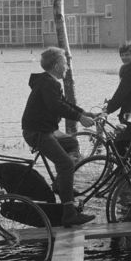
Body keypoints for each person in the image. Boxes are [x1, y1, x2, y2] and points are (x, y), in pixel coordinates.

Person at [21, 47, 96, 228]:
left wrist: (84, 112)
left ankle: (59, 185)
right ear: (56, 66)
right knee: (66, 164)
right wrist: (79, 118)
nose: (67, 68)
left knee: (71, 142)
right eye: (65, 64)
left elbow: (63, 103)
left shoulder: (49, 81)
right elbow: (56, 106)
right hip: (38, 132)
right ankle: (69, 214)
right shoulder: (49, 83)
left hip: (42, 130)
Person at [103, 41, 131, 155]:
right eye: (122, 55)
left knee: (119, 143)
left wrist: (108, 109)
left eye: (127, 54)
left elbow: (121, 94)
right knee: (125, 145)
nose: (124, 57)